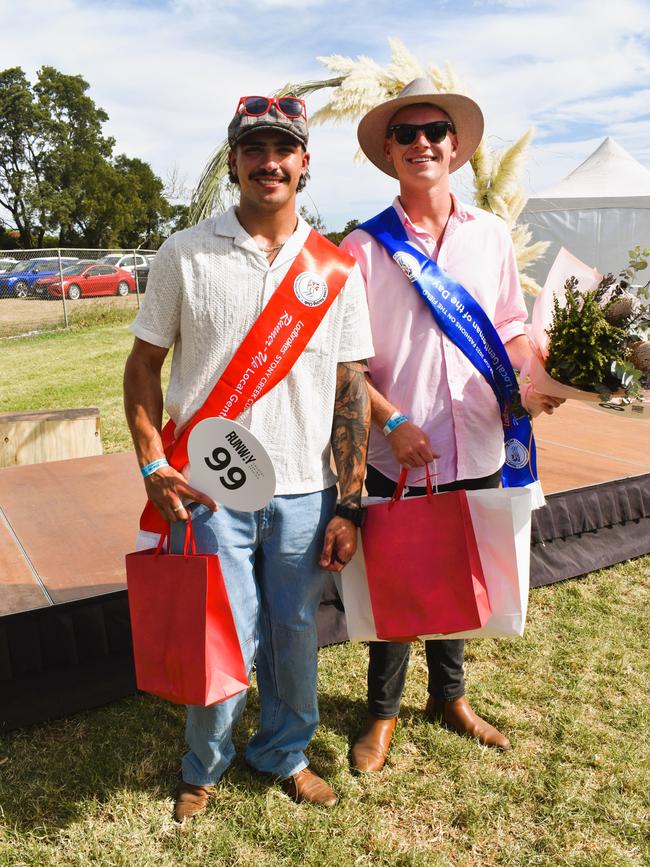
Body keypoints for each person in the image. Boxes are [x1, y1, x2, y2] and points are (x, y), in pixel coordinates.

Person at [124, 94, 373, 819]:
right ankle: (204, 762)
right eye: (255, 148)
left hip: (304, 490)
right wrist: (150, 462)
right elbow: (142, 367)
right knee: (219, 625)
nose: (270, 161)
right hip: (208, 490)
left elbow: (350, 388)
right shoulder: (185, 252)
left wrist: (350, 501)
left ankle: (284, 751)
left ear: (304, 162)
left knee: (295, 629)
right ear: (234, 161)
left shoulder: (336, 268)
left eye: (283, 148)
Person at [340, 78, 563, 773]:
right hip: (399, 447)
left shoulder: (491, 235)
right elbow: (344, 359)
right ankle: (381, 714)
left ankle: (449, 696)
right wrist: (392, 419)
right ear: (388, 150)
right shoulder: (362, 247)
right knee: (402, 576)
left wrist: (537, 380)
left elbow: (508, 325)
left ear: (457, 147)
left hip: (478, 436)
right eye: (406, 134)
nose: (422, 143)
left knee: (458, 573)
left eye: (434, 130)